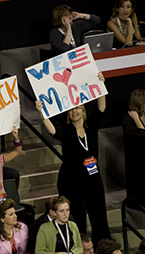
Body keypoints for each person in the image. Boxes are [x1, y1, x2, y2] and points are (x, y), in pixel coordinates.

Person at [35, 72, 110, 247]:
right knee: (77, 218)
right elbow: (52, 130)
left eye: (78, 108)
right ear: (68, 113)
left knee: (99, 214)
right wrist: (41, 112)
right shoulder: (67, 131)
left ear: (83, 110)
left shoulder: (91, 127)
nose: (74, 111)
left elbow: (101, 107)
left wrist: (100, 85)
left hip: (92, 177)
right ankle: (78, 248)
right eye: (71, 109)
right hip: (72, 179)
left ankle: (103, 247)